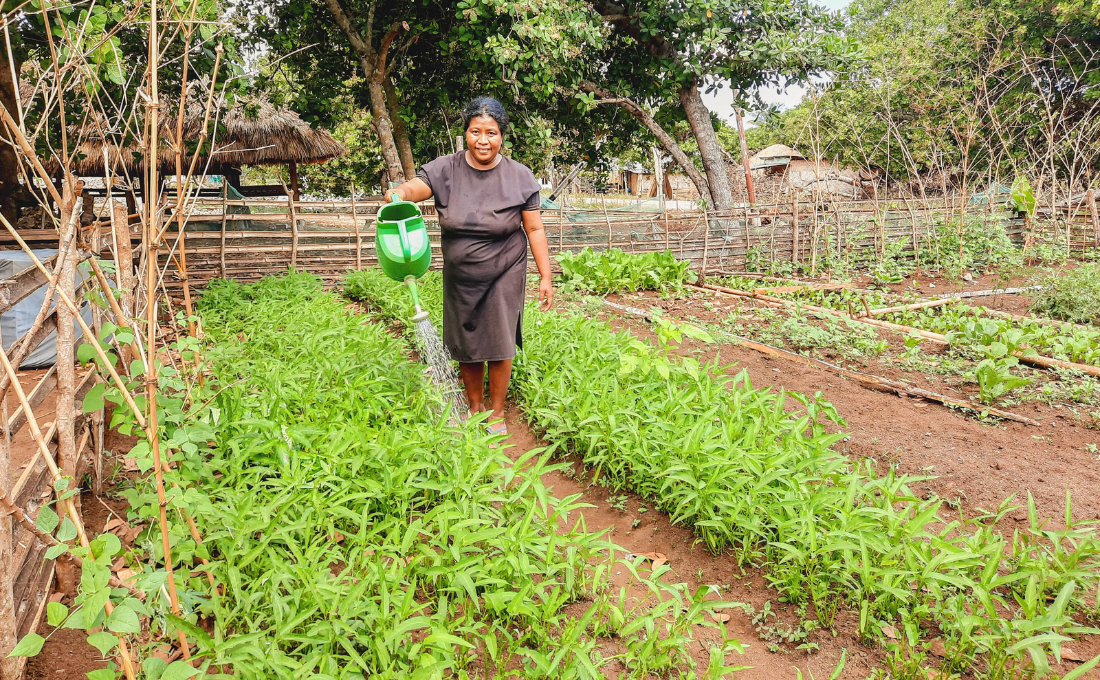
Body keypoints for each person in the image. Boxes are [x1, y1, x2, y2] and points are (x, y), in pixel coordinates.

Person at [387, 96, 553, 435]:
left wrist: (546, 275)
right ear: (466, 133)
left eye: (491, 133)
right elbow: (419, 186)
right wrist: (400, 193)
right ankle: (474, 404)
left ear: (502, 136)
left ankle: (495, 411)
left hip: (506, 266)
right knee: (467, 342)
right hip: (461, 275)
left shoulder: (519, 176)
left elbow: (534, 228)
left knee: (500, 339)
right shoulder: (446, 169)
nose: (483, 140)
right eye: (476, 131)